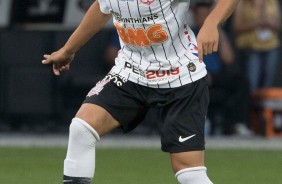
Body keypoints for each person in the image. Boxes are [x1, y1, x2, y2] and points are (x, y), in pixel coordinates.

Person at [42, 0, 240, 183]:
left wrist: (212, 23)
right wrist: (68, 50)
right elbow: (102, 8)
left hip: (181, 78)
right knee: (81, 129)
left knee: (190, 173)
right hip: (131, 73)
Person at [192, 2, 252, 136]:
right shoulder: (189, 34)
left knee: (241, 82)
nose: (201, 19)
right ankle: (197, 123)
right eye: (199, 15)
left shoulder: (216, 33)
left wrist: (215, 27)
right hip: (196, 74)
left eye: (205, 15)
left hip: (217, 75)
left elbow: (229, 59)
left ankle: (238, 124)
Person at [232, 0, 281, 92]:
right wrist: (257, 23)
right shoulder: (242, 2)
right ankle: (250, 105)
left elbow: (279, 23)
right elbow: (236, 26)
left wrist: (271, 23)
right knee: (251, 82)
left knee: (268, 83)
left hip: (271, 46)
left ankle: (264, 106)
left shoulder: (272, 1)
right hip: (251, 47)